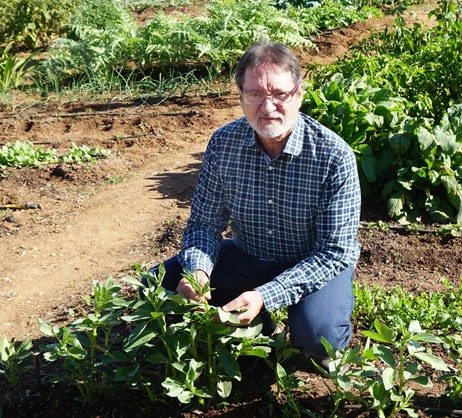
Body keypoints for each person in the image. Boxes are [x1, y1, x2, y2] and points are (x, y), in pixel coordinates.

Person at [150, 41, 361, 364]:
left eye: (279, 94)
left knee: (319, 338)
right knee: (156, 287)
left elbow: (333, 253)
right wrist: (198, 273)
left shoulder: (334, 156)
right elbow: (204, 224)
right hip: (250, 254)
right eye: (255, 95)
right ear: (241, 98)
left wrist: (266, 294)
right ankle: (263, 328)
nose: (268, 106)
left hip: (312, 263)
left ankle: (306, 323)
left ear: (299, 94)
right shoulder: (224, 144)